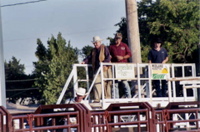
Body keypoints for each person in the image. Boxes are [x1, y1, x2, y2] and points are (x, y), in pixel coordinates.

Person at [81, 36, 111, 102]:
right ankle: (97, 98)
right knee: (96, 82)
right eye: (94, 43)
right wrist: (84, 61)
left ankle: (107, 98)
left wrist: (104, 63)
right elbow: (89, 57)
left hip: (105, 69)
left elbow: (108, 58)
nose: (95, 44)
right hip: (97, 69)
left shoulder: (104, 48)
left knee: (107, 84)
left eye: (96, 43)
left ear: (100, 42)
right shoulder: (93, 50)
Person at [109, 33, 132, 98]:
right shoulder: (111, 46)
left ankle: (129, 96)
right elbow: (108, 55)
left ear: (121, 39)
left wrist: (123, 57)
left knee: (124, 82)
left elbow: (129, 54)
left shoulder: (124, 45)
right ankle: (116, 98)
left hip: (123, 66)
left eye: (119, 38)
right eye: (116, 38)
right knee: (115, 82)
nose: (117, 40)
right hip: (115, 66)